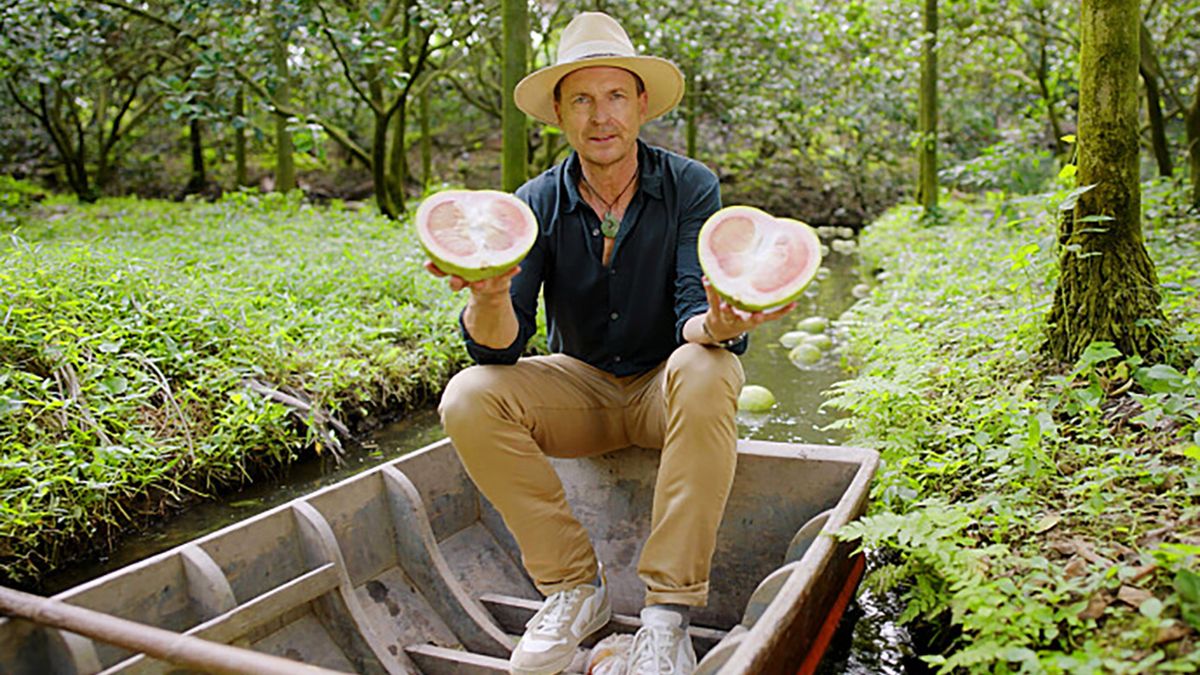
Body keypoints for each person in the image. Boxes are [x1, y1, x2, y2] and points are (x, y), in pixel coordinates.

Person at [426, 12, 794, 675]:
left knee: (707, 367)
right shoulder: (535, 200)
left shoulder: (690, 186)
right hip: (582, 391)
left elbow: (692, 311)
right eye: (583, 100)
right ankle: (573, 587)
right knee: (468, 394)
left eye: (617, 96)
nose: (602, 116)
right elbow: (500, 351)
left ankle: (667, 615)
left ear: (641, 104)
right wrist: (486, 298)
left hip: (666, 389)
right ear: (560, 115)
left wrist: (719, 325)